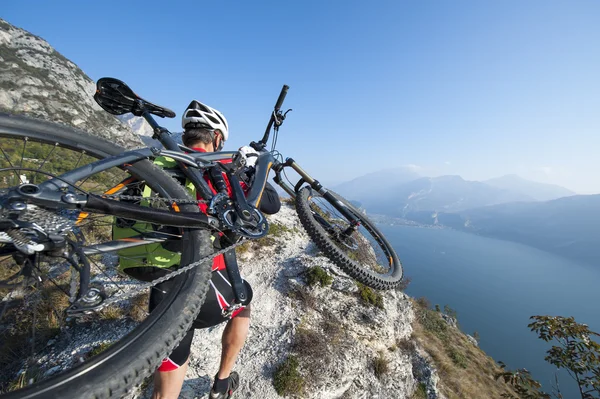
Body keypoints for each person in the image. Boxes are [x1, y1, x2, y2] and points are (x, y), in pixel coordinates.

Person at [114, 100, 281, 399]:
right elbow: (270, 204)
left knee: (174, 348)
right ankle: (222, 382)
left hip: (154, 271)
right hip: (198, 278)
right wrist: (255, 169)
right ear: (216, 138)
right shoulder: (215, 169)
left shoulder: (160, 164)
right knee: (243, 300)